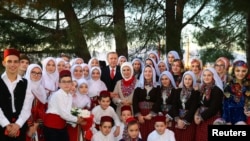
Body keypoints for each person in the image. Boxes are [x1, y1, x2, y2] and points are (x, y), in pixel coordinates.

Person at [0, 48, 34, 141]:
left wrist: (18, 124)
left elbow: (27, 107)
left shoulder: (27, 83)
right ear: (4, 63)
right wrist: (6, 124)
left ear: (19, 64)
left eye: (15, 62)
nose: (12, 64)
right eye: (9, 61)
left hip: (20, 127)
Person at [43, 70, 85, 141]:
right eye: (64, 82)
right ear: (59, 84)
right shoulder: (58, 95)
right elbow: (63, 114)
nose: (66, 84)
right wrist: (77, 120)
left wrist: (77, 118)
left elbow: (67, 112)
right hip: (52, 127)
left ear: (71, 83)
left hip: (61, 126)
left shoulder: (69, 96)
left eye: (69, 82)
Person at [194, 67, 224, 141]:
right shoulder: (202, 88)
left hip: (211, 119)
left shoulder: (217, 90)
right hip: (201, 119)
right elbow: (199, 104)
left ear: (213, 76)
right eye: (204, 75)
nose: (206, 77)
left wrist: (201, 117)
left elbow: (214, 108)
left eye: (209, 75)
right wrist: (196, 114)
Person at [132, 65, 161, 140]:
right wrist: (139, 115)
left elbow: (158, 101)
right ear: (143, 73)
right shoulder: (138, 86)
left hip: (152, 115)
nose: (147, 73)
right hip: (141, 114)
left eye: (150, 71)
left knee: (152, 135)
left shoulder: (157, 86)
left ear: (153, 73)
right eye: (145, 71)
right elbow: (134, 101)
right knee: (141, 134)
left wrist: (151, 114)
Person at [174, 71, 200, 141]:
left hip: (189, 121)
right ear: (183, 79)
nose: (187, 81)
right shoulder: (178, 91)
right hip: (178, 121)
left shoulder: (195, 92)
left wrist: (185, 121)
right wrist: (178, 120)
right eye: (185, 79)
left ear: (193, 80)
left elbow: (193, 108)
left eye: (189, 79)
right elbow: (174, 105)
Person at [25, 64, 47, 141]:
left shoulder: (41, 89)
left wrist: (37, 123)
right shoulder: (24, 87)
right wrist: (31, 125)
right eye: (33, 72)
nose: (36, 75)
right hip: (25, 124)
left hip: (38, 125)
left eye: (39, 73)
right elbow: (23, 108)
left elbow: (43, 108)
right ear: (28, 73)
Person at [222, 60, 249, 125]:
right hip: (231, 116)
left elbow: (248, 100)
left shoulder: (248, 84)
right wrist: (227, 120)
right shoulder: (228, 85)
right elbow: (225, 104)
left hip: (245, 117)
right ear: (233, 71)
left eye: (243, 71)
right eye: (237, 70)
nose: (240, 73)